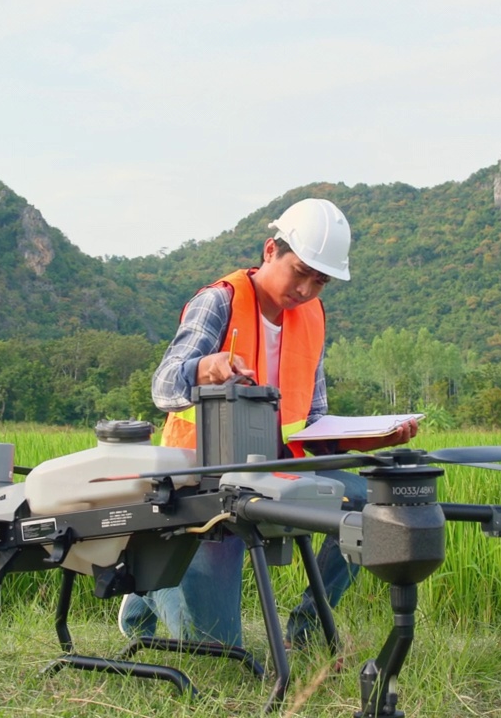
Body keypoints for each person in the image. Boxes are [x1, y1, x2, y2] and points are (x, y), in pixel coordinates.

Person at [118, 197, 418, 648]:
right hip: (205, 473)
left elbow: (313, 419)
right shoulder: (219, 302)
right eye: (300, 272)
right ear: (270, 251)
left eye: (320, 281)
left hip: (279, 469)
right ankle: (151, 585)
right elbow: (162, 386)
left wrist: (371, 438)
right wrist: (206, 368)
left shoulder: (312, 317)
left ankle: (308, 626)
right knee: (216, 649)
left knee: (376, 508)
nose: (306, 290)